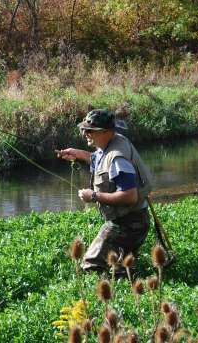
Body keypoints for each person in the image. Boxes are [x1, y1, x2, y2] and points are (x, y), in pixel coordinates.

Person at [57, 109, 154, 274]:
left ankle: (109, 290)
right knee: (120, 268)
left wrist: (93, 196)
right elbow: (99, 159)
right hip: (131, 219)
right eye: (84, 129)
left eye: (89, 131)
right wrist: (77, 154)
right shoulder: (112, 143)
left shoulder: (118, 159)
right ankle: (124, 270)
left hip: (129, 224)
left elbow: (130, 196)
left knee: (90, 265)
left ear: (105, 132)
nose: (84, 133)